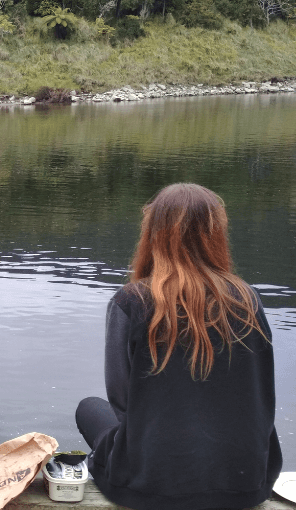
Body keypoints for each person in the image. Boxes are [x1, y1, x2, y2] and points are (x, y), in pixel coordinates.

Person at [75, 183, 282, 510]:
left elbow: (122, 403)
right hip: (246, 484)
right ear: (215, 234)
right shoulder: (247, 299)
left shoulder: (132, 302)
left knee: (89, 408)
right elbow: (260, 396)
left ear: (153, 233)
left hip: (150, 486)